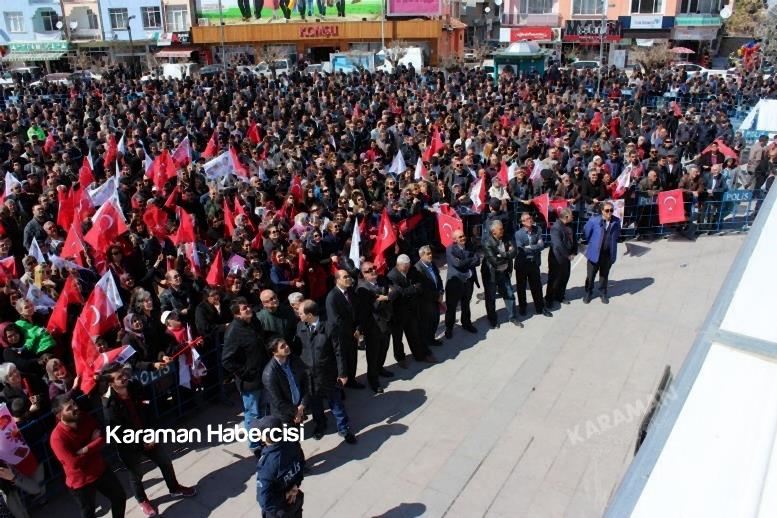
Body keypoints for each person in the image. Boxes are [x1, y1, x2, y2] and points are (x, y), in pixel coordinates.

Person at [101, 363, 197, 517]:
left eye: (124, 373)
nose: (125, 377)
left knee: (165, 461)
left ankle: (174, 488)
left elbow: (148, 407)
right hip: (129, 445)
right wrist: (140, 443)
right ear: (111, 383)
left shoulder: (135, 386)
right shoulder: (109, 405)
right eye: (120, 378)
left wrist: (151, 433)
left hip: (148, 435)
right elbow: (118, 433)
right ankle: (142, 500)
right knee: (136, 475)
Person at [49, 395, 127, 518]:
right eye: (69, 408)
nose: (75, 408)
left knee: (119, 497)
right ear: (59, 415)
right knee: (88, 514)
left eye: (74, 404)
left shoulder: (84, 417)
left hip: (100, 470)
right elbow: (74, 463)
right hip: (81, 482)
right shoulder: (57, 438)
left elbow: (103, 437)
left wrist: (85, 449)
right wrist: (93, 443)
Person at [294, 300, 356, 443]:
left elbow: (339, 351)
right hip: (310, 376)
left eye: (301, 313)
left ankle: (344, 428)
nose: (299, 315)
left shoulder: (329, 327)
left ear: (309, 315)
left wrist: (342, 374)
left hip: (328, 374)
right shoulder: (300, 327)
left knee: (336, 403)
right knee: (315, 404)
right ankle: (320, 425)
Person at [222, 296, 268, 453]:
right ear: (236, 314)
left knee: (264, 409)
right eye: (244, 308)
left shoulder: (254, 322)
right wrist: (246, 373)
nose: (248, 309)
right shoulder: (233, 331)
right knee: (253, 414)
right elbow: (227, 360)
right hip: (250, 381)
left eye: (248, 306)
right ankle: (255, 445)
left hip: (263, 375)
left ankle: (265, 438)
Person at [387, 255, 436, 365]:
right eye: (405, 267)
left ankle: (420, 355)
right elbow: (399, 293)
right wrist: (412, 289)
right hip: (397, 313)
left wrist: (409, 290)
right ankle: (400, 358)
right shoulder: (392, 276)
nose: (407, 269)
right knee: (398, 338)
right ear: (398, 265)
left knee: (414, 334)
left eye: (408, 266)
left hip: (411, 310)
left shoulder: (412, 271)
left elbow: (419, 287)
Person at [355, 261, 395, 393]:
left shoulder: (382, 280)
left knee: (384, 349)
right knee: (373, 354)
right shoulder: (362, 289)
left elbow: (394, 292)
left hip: (386, 322)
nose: (372, 271)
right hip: (373, 327)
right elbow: (373, 307)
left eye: (373, 268)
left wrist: (385, 296)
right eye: (368, 270)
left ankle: (380, 368)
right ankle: (373, 378)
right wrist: (385, 297)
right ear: (363, 274)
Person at [255, 415, 305, 518]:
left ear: (265, 437)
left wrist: (286, 495)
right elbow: (301, 464)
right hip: (295, 500)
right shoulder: (292, 443)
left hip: (279, 511)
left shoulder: (267, 465)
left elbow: (265, 501)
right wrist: (295, 486)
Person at [324, 270, 363, 389]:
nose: (349, 279)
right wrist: (352, 332)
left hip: (353, 332)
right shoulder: (332, 297)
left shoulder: (351, 291)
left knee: (353, 358)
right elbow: (335, 320)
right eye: (345, 277)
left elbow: (357, 311)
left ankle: (352, 380)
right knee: (342, 360)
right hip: (340, 335)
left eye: (349, 276)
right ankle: (341, 386)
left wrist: (358, 328)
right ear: (337, 280)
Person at [481, 220, 520, 328]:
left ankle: (512, 317)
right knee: (491, 298)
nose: (503, 230)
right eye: (500, 229)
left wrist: (502, 254)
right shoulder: (487, 242)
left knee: (509, 294)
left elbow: (515, 251)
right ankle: (492, 319)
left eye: (502, 228)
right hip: (491, 274)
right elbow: (495, 261)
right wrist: (508, 254)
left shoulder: (506, 237)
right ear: (494, 231)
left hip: (504, 272)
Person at [262, 337, 309, 426]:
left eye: (286, 344)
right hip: (284, 416)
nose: (287, 347)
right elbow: (278, 401)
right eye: (282, 346)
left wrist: (302, 405)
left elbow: (305, 381)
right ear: (275, 352)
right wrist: (296, 412)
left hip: (298, 409)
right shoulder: (269, 374)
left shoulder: (294, 360)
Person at [514, 213, 552, 318]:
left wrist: (530, 247)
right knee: (521, 287)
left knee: (537, 286)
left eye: (530, 218)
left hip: (534, 263)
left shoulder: (537, 229)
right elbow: (521, 249)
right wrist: (535, 247)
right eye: (526, 219)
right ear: (522, 222)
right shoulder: (518, 234)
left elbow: (542, 245)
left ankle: (540, 307)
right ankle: (522, 307)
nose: (529, 220)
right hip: (522, 264)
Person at [582, 202, 621, 304]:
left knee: (604, 275)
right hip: (594, 253)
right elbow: (586, 232)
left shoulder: (616, 222)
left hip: (607, 254)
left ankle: (603, 292)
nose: (609, 213)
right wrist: (593, 243)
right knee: (590, 275)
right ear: (602, 211)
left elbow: (617, 235)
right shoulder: (594, 221)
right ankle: (588, 292)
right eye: (607, 210)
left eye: (611, 210)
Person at [444, 230, 480, 338]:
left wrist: (465, 260)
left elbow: (478, 260)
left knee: (466, 304)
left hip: (468, 282)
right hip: (455, 284)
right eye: (460, 237)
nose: (463, 238)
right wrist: (470, 259)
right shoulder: (450, 249)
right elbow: (457, 264)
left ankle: (466, 323)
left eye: (463, 235)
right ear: (454, 239)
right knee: (451, 307)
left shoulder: (470, 246)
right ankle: (449, 328)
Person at [413, 245, 444, 347]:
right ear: (421, 255)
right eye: (428, 254)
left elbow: (438, 279)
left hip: (435, 298)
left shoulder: (432, 264)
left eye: (431, 253)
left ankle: (431, 339)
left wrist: (441, 291)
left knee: (435, 320)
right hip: (426, 301)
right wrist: (437, 296)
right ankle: (425, 343)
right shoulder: (418, 269)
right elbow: (424, 289)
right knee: (427, 322)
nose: (431, 255)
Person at [546, 208, 578, 308]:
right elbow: (558, 245)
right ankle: (549, 299)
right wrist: (567, 255)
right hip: (557, 258)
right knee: (554, 279)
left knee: (564, 277)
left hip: (567, 257)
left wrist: (574, 251)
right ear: (566, 216)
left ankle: (560, 296)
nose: (573, 217)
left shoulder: (570, 225)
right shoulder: (556, 227)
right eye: (571, 215)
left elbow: (574, 239)